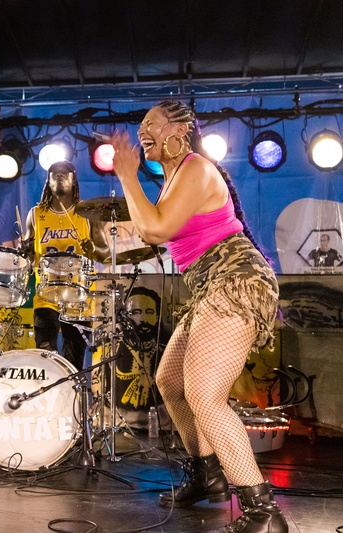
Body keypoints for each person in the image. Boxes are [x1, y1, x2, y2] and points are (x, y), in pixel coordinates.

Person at [111, 100, 286, 533]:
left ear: (180, 128)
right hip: (209, 285)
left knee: (205, 395)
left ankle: (264, 513)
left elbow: (156, 229)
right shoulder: (172, 179)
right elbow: (152, 229)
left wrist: (127, 176)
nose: (143, 132)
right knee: (170, 381)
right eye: (140, 127)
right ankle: (206, 473)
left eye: (152, 123)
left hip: (236, 280)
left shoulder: (194, 168)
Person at [21, 161, 109, 370]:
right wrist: (25, 251)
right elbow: (27, 255)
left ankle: (72, 401)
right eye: (54, 174)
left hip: (80, 298)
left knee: (73, 363)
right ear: (48, 182)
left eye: (64, 173)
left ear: (73, 180)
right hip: (46, 296)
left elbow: (105, 253)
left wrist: (92, 250)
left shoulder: (87, 213)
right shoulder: (35, 214)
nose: (59, 176)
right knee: (45, 356)